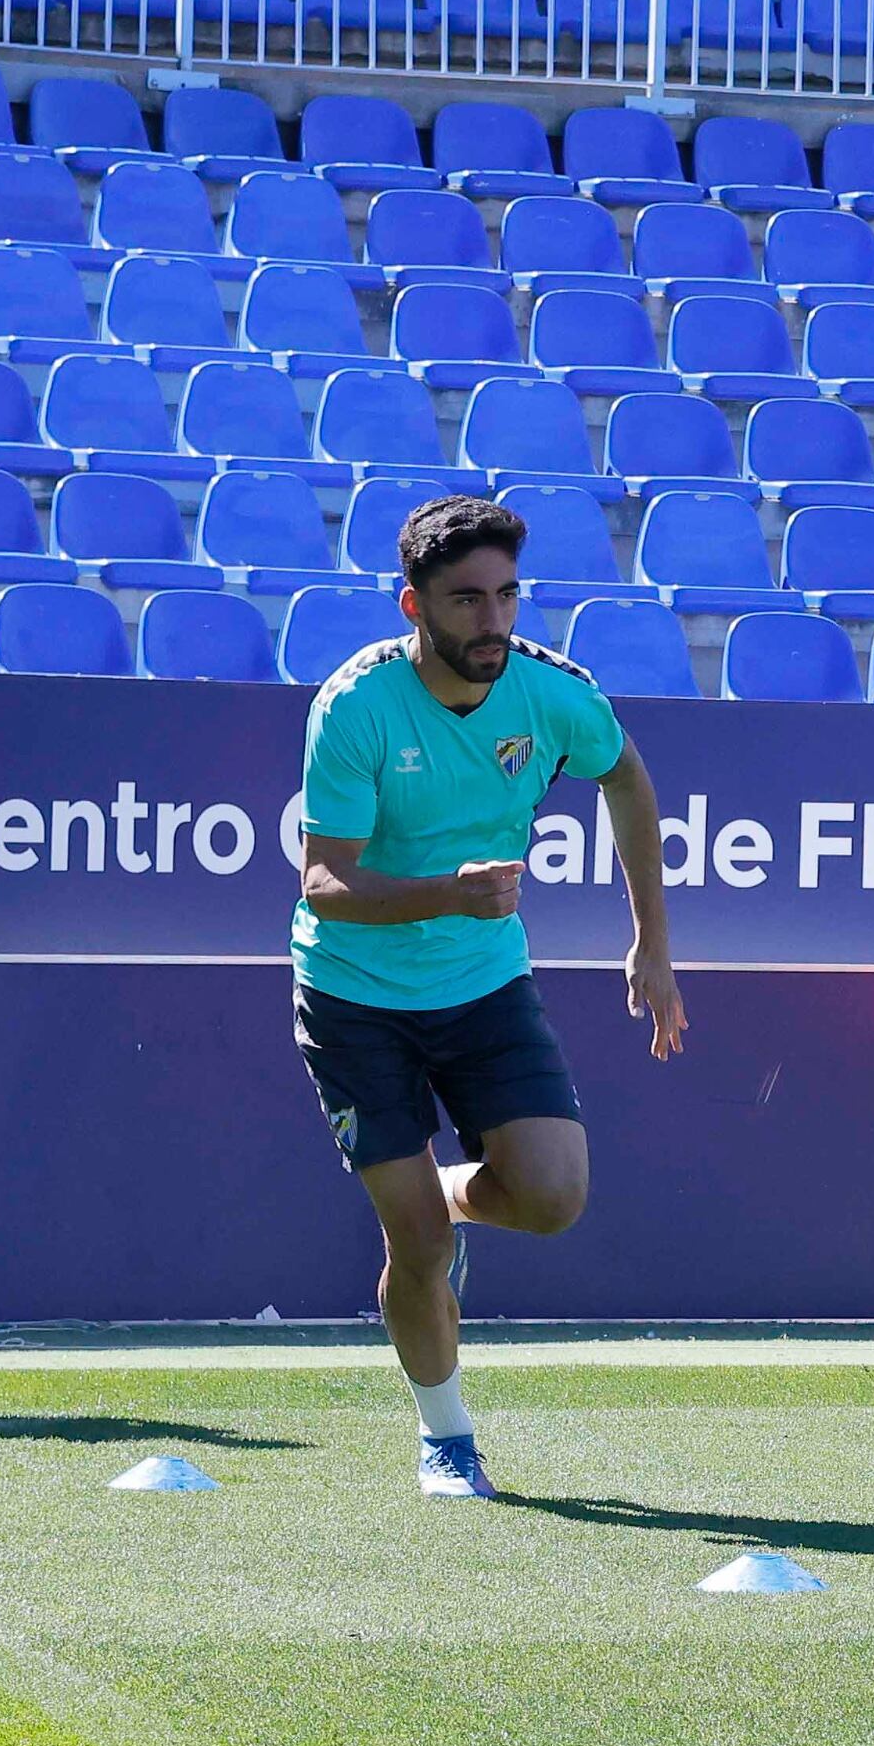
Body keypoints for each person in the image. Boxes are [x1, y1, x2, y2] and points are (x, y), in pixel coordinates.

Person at [292, 493, 686, 1498]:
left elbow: (628, 779)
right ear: (413, 605)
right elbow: (324, 886)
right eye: (466, 601)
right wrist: (446, 893)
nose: (493, 621)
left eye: (507, 595)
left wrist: (651, 942)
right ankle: (447, 1437)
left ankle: (447, 1205)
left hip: (483, 986)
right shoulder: (356, 705)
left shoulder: (552, 692)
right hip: (353, 997)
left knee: (553, 1199)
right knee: (412, 1244)